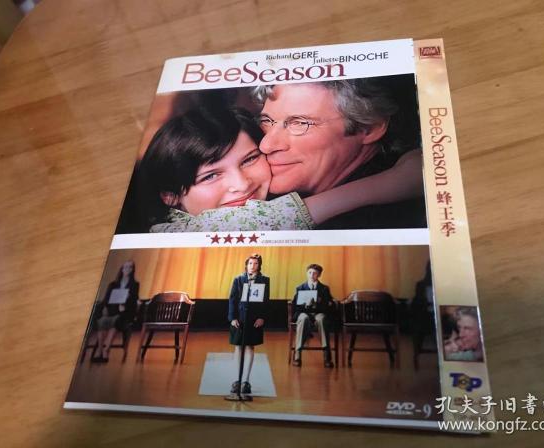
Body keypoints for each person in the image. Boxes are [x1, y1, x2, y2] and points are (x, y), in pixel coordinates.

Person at [140, 106, 423, 232]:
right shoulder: (169, 232)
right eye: (211, 176)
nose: (242, 184)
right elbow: (259, 221)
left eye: (249, 159)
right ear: (170, 196)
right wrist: (389, 183)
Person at [254, 78, 427, 229]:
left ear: (368, 129)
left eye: (300, 123)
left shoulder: (376, 223)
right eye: (266, 121)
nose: (266, 145)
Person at [227, 254, 270, 395]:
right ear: (246, 265)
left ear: (259, 265)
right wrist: (232, 318)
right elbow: (232, 299)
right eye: (250, 263)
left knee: (250, 346)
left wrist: (262, 317)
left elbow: (265, 301)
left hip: (254, 319)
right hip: (239, 319)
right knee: (238, 347)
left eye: (256, 263)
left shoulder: (265, 280)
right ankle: (236, 380)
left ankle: (246, 381)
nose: (252, 266)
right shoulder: (238, 279)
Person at [92, 260, 139, 363]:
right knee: (102, 321)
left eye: (130, 267)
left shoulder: (135, 284)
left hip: (125, 313)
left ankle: (106, 349)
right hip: (112, 311)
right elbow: (106, 300)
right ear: (122, 269)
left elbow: (135, 300)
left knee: (116, 321)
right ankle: (100, 349)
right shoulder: (113, 284)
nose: (127, 269)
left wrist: (128, 300)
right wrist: (105, 309)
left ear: (133, 270)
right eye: (125, 267)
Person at [291, 264, 334, 368]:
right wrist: (305, 304)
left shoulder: (324, 289)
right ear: (307, 273)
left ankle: (326, 354)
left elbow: (329, 304)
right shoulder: (300, 288)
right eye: (310, 272)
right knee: (303, 318)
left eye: (314, 273)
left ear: (319, 275)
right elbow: (295, 305)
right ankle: (297, 354)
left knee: (322, 318)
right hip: (304, 313)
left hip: (318, 313)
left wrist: (319, 303)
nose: (311, 275)